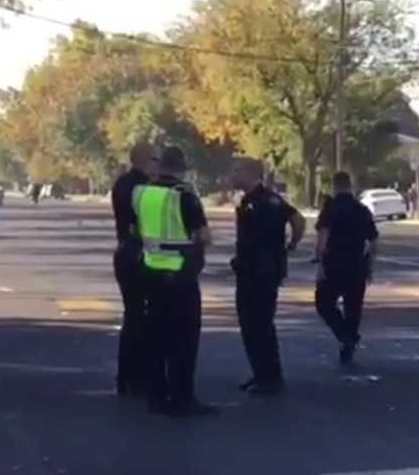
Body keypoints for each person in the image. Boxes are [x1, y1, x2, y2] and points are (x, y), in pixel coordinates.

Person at [134, 146, 214, 416]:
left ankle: (156, 396)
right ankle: (182, 398)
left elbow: (135, 229)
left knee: (155, 337)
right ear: (182, 167)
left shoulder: (142, 193)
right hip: (180, 275)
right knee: (184, 339)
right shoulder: (185, 195)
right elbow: (202, 235)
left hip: (150, 271)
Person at [229, 158, 305, 395]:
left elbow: (298, 220)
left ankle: (269, 377)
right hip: (254, 268)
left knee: (258, 324)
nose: (232, 174)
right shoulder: (258, 199)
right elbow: (297, 218)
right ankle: (262, 373)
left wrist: (292, 243)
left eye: (237, 169)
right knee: (253, 324)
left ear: (251, 173)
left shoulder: (263, 200)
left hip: (260, 271)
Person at [315, 170, 377, 365]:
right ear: (350, 186)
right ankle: (348, 340)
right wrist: (370, 267)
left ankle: (344, 335)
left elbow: (322, 238)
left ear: (334, 186)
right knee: (353, 308)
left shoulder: (330, 208)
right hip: (357, 264)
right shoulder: (362, 210)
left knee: (324, 303)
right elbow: (374, 240)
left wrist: (319, 263)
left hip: (334, 263)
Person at [110, 145, 155, 397]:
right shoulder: (142, 187)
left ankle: (128, 376)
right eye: (154, 159)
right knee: (141, 316)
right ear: (146, 160)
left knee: (134, 314)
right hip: (138, 254)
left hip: (125, 252)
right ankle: (137, 376)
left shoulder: (122, 183)